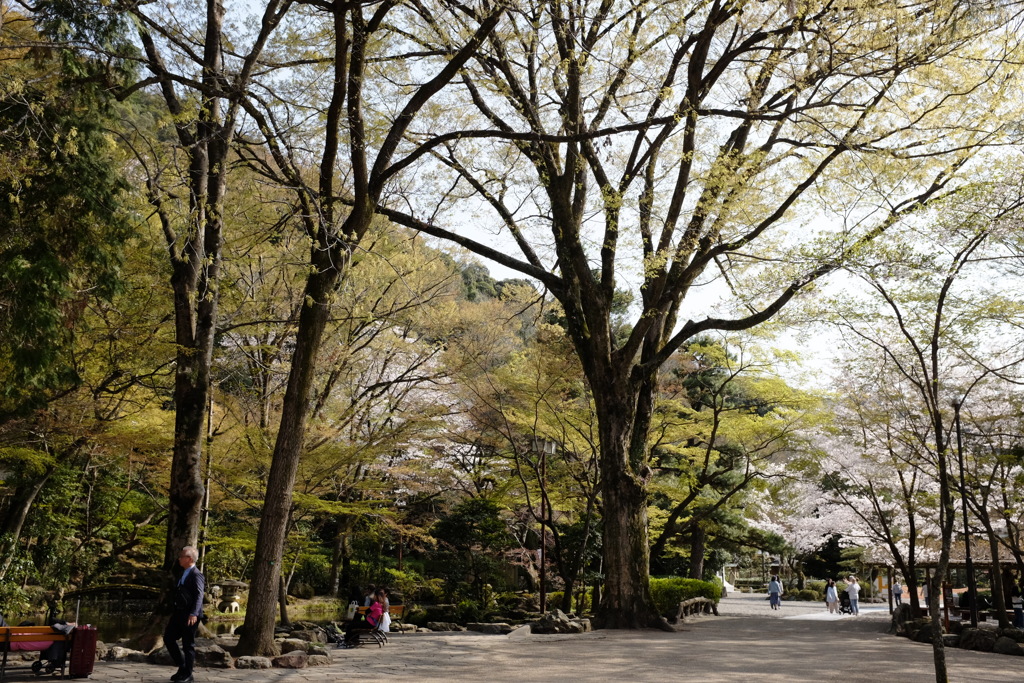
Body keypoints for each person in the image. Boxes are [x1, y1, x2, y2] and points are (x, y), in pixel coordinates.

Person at [164, 546, 205, 683]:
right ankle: (182, 666)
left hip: (190, 615)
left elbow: (199, 595)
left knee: (188, 644)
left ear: (190, 559)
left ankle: (188, 673)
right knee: (169, 638)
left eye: (182, 556)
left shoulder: (196, 574)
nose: (179, 558)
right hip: (179, 612)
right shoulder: (183, 572)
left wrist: (194, 613)